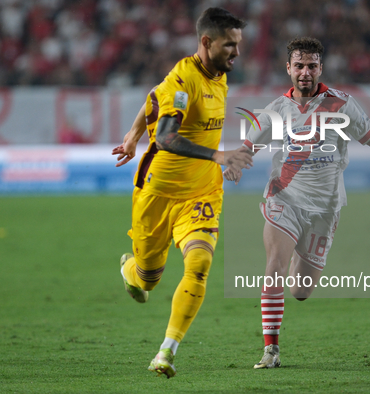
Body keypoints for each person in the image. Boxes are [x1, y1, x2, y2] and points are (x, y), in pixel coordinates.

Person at [224, 37, 370, 369]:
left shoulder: (342, 104)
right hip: (285, 199)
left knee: (300, 291)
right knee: (274, 265)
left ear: (320, 68)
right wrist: (235, 164)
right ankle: (271, 350)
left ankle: (300, 258)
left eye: (312, 66)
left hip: (325, 208)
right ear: (288, 68)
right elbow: (248, 146)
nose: (305, 72)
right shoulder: (276, 110)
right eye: (299, 66)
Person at [111, 7, 250, 378]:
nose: (237, 52)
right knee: (148, 279)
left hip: (202, 192)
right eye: (229, 45)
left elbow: (153, 97)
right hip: (158, 193)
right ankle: (131, 270)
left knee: (200, 263)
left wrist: (133, 132)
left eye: (238, 44)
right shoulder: (184, 79)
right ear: (206, 42)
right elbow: (168, 137)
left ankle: (166, 352)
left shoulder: (218, 74)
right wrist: (219, 154)